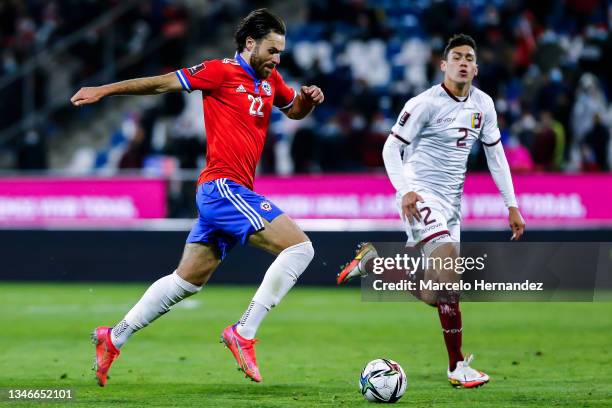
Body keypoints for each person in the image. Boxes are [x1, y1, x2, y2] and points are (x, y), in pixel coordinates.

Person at [70, 9, 324, 386]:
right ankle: (244, 333)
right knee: (300, 249)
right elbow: (159, 84)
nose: (277, 59)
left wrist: (308, 101)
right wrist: (105, 90)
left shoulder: (272, 80)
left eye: (281, 52)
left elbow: (294, 111)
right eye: (272, 50)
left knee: (186, 282)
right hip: (223, 187)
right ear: (250, 44)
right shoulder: (219, 71)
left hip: (229, 192)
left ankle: (115, 336)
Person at [337, 34, 525, 388]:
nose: (464, 62)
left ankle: (372, 264)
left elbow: (496, 157)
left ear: (476, 67)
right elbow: (390, 151)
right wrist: (405, 190)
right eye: (457, 57)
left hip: (453, 205)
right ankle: (456, 367)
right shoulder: (424, 103)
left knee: (434, 294)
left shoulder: (483, 105)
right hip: (420, 197)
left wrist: (511, 205)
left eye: (470, 57)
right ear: (443, 65)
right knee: (450, 282)